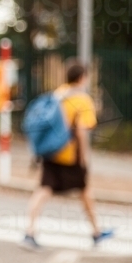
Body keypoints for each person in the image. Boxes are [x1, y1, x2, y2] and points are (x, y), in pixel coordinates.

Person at [22, 62, 113, 250]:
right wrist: (84, 157)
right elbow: (81, 131)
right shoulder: (82, 100)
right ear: (83, 78)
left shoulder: (58, 94)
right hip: (71, 154)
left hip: (51, 151)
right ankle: (96, 232)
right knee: (85, 190)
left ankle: (29, 231)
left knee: (44, 189)